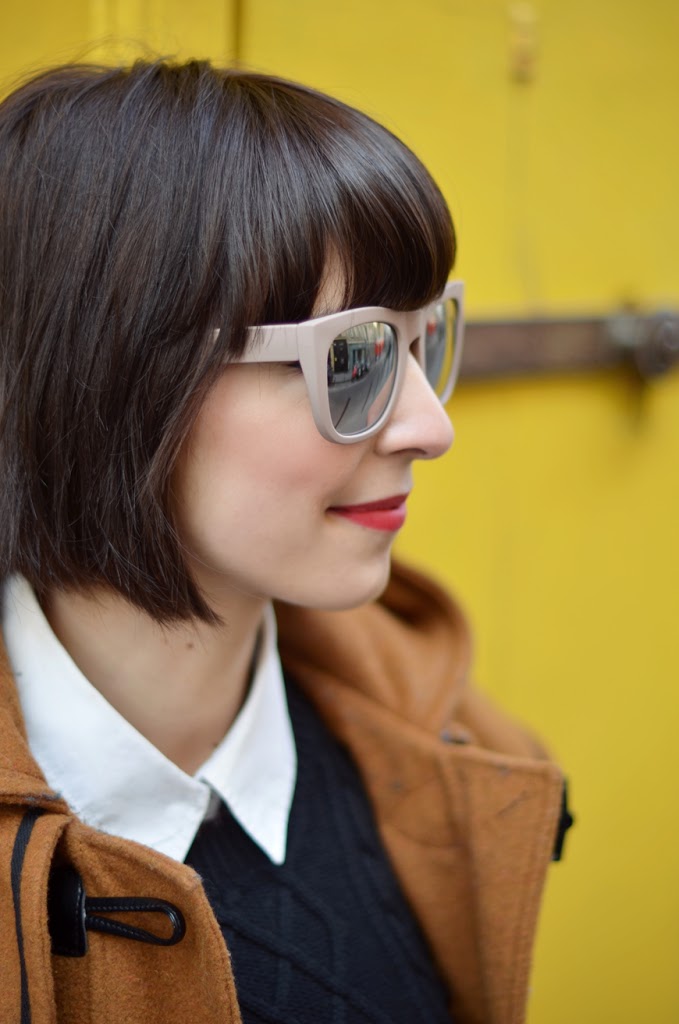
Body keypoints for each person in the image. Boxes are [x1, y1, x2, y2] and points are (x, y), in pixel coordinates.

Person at [0, 60, 571, 1024]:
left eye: (425, 343)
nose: (430, 428)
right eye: (353, 356)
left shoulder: (447, 740)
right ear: (112, 375)